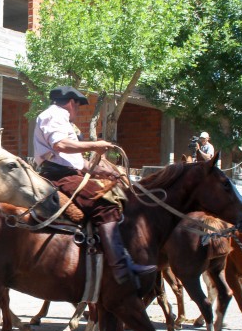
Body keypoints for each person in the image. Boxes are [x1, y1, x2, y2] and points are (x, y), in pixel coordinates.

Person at [33, 86, 156, 289]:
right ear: (72, 103)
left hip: (67, 173)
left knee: (114, 193)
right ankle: (121, 267)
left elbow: (75, 161)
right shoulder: (54, 114)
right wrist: (94, 145)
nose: (77, 112)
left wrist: (101, 172)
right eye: (78, 107)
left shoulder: (60, 118)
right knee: (104, 203)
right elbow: (60, 145)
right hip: (59, 176)